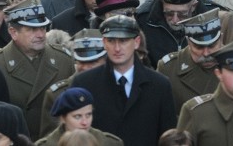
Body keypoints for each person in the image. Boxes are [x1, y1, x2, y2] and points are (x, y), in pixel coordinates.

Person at [71, 15, 176, 145]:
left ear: (136, 42)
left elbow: (168, 138)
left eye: (123, 41)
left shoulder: (160, 85)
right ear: (104, 43)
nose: (117, 48)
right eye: (111, 41)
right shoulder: (84, 83)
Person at [0, 0, 74, 139]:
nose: (40, 35)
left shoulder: (63, 59)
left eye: (43, 28)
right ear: (13, 32)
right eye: (32, 29)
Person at [37, 87, 122, 146]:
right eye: (77, 117)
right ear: (63, 118)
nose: (85, 122)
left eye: (88, 115)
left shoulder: (110, 143)